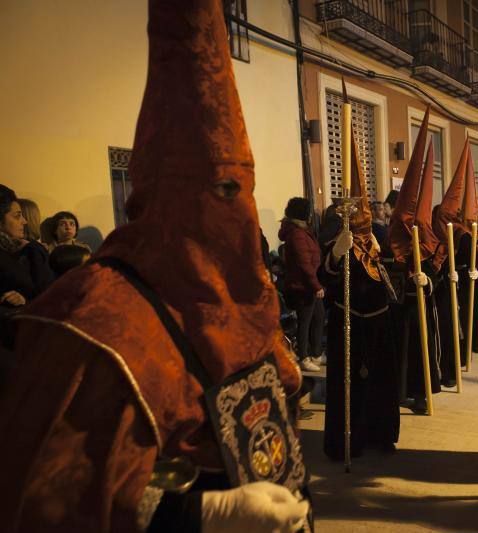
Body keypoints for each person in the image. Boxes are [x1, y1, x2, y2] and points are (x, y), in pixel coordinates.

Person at [0, 1, 310, 530]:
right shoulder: (95, 318)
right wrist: (200, 513)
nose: (236, 212)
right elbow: (45, 500)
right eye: (221, 191)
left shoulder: (242, 297)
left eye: (243, 192)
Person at [319, 116, 399, 459]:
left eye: (366, 213)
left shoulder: (380, 237)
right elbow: (326, 279)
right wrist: (338, 253)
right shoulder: (334, 237)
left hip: (379, 324)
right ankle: (345, 441)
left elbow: (395, 271)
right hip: (347, 323)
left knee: (380, 385)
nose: (363, 218)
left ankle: (381, 437)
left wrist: (397, 269)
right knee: (347, 386)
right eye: (357, 214)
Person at [388, 108, 442, 413]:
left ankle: (423, 394)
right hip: (400, 307)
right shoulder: (393, 239)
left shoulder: (431, 241)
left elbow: (438, 271)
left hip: (422, 302)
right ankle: (400, 393)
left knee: (422, 350)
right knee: (401, 351)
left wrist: (428, 279)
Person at [431, 139, 478, 388]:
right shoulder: (432, 239)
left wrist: (470, 274)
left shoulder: (463, 236)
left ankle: (456, 368)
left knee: (457, 330)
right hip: (440, 293)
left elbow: (475, 263)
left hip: (457, 290)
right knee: (446, 332)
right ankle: (447, 372)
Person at [279, 197, 325, 372]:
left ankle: (316, 353)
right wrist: (316, 286)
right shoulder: (297, 234)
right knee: (305, 321)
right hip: (302, 286)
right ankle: (304, 357)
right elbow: (304, 264)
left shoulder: (302, 231)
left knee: (319, 316)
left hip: (309, 284)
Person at [0, 185, 53, 313]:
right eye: (17, 216)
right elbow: (43, 294)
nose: (24, 221)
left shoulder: (12, 250)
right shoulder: (27, 251)